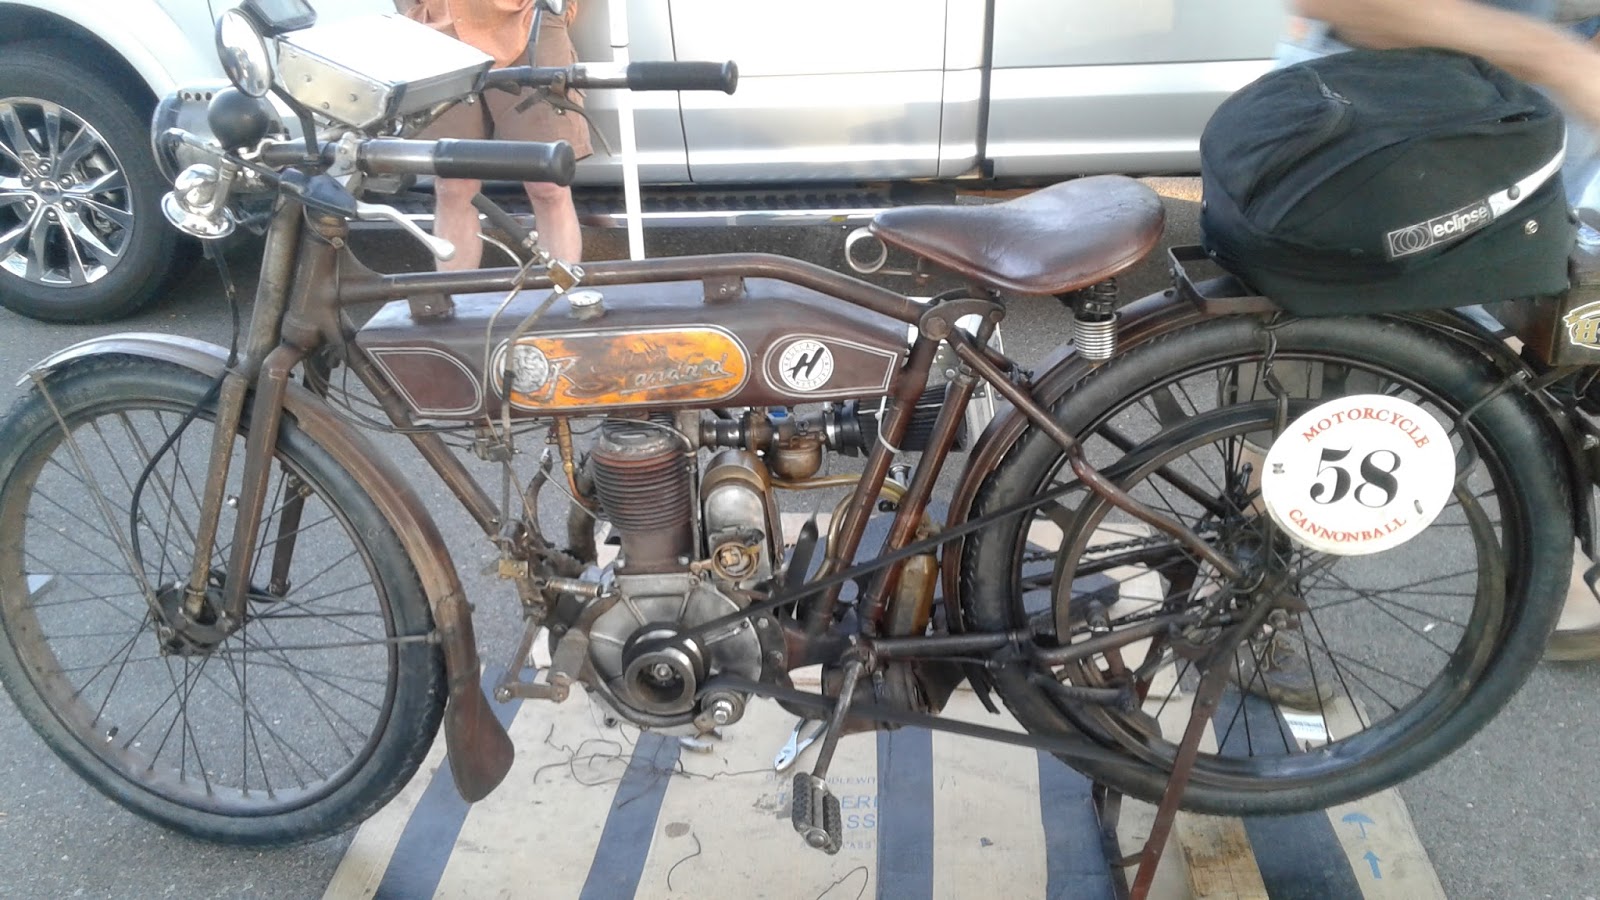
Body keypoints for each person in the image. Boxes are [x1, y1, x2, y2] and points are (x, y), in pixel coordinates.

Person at [1236, 1, 1600, 700]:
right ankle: (1244, 600)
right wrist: (1555, 56)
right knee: (1299, 415)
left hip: (1537, 128)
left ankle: (1555, 566)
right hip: (1381, 127)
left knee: (1541, 368)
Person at [404, 0, 593, 267]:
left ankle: (559, 300)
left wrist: (558, 9)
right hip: (441, 34)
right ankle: (457, 303)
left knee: (549, 184)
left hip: (528, 22)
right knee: (453, 186)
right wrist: (416, 13)